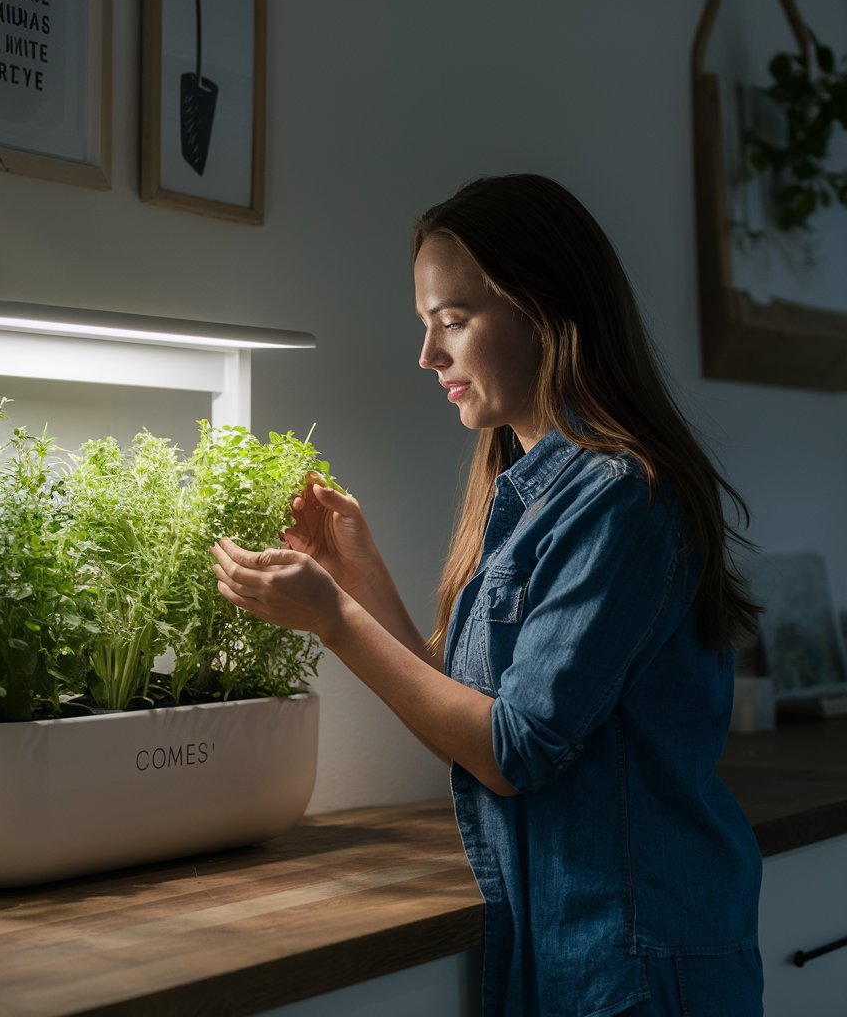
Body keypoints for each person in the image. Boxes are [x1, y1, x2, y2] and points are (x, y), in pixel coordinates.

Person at [211, 174, 764, 1017]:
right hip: (574, 946)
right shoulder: (529, 490)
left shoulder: (623, 499)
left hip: (638, 962)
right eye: (426, 326)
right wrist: (364, 583)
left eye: (453, 321)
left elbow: (513, 753)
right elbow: (480, 716)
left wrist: (335, 621)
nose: (429, 356)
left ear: (542, 309)